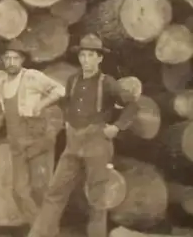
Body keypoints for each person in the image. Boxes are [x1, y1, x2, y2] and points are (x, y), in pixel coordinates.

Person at [26, 34, 139, 237]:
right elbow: (68, 103)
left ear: (99, 58)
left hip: (97, 144)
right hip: (73, 143)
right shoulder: (73, 80)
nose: (86, 60)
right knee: (55, 191)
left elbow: (132, 105)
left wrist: (117, 127)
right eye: (83, 55)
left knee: (97, 197)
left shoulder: (108, 83)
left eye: (90, 55)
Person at [0, 41, 66, 221]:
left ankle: (47, 228)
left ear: (22, 60)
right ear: (3, 60)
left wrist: (41, 104)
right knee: (19, 191)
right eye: (7, 58)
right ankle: (38, 226)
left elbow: (60, 90)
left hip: (36, 137)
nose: (11, 62)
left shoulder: (32, 77)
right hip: (16, 141)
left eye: (15, 58)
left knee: (41, 188)